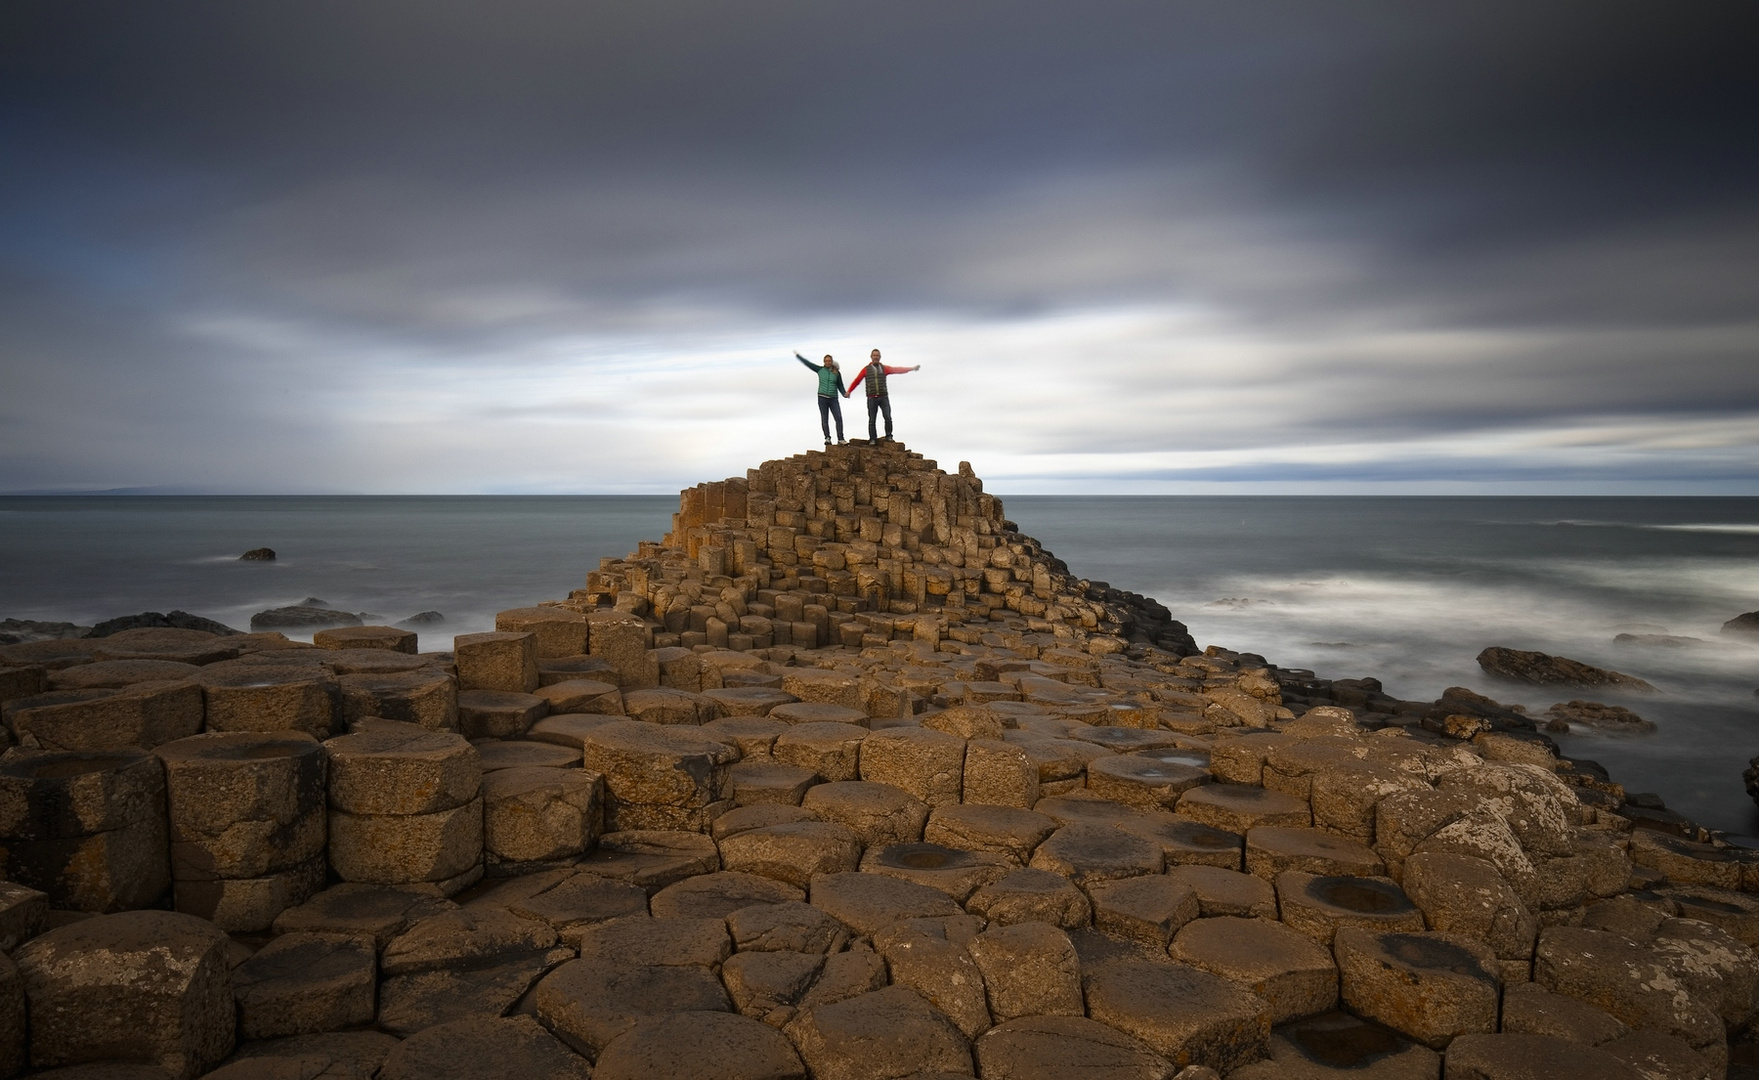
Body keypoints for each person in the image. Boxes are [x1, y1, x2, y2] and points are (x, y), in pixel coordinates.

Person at [845, 348, 921, 442]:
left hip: (883, 397)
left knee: (888, 417)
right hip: (872, 398)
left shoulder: (885, 368)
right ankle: (873, 439)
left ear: (880, 357)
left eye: (877, 355)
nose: (876, 357)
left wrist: (911, 369)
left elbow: (898, 370)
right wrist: (849, 391)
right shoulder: (866, 370)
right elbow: (857, 381)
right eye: (874, 355)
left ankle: (889, 436)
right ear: (871, 357)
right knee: (872, 420)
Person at [795, 352, 848, 444]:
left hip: (833, 398)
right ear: (824, 362)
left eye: (829, 361)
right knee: (825, 418)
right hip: (822, 398)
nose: (828, 362)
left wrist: (844, 393)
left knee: (838, 418)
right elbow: (808, 364)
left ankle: (840, 439)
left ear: (832, 362)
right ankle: (827, 438)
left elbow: (840, 385)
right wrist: (798, 356)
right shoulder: (820, 370)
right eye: (826, 361)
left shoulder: (837, 373)